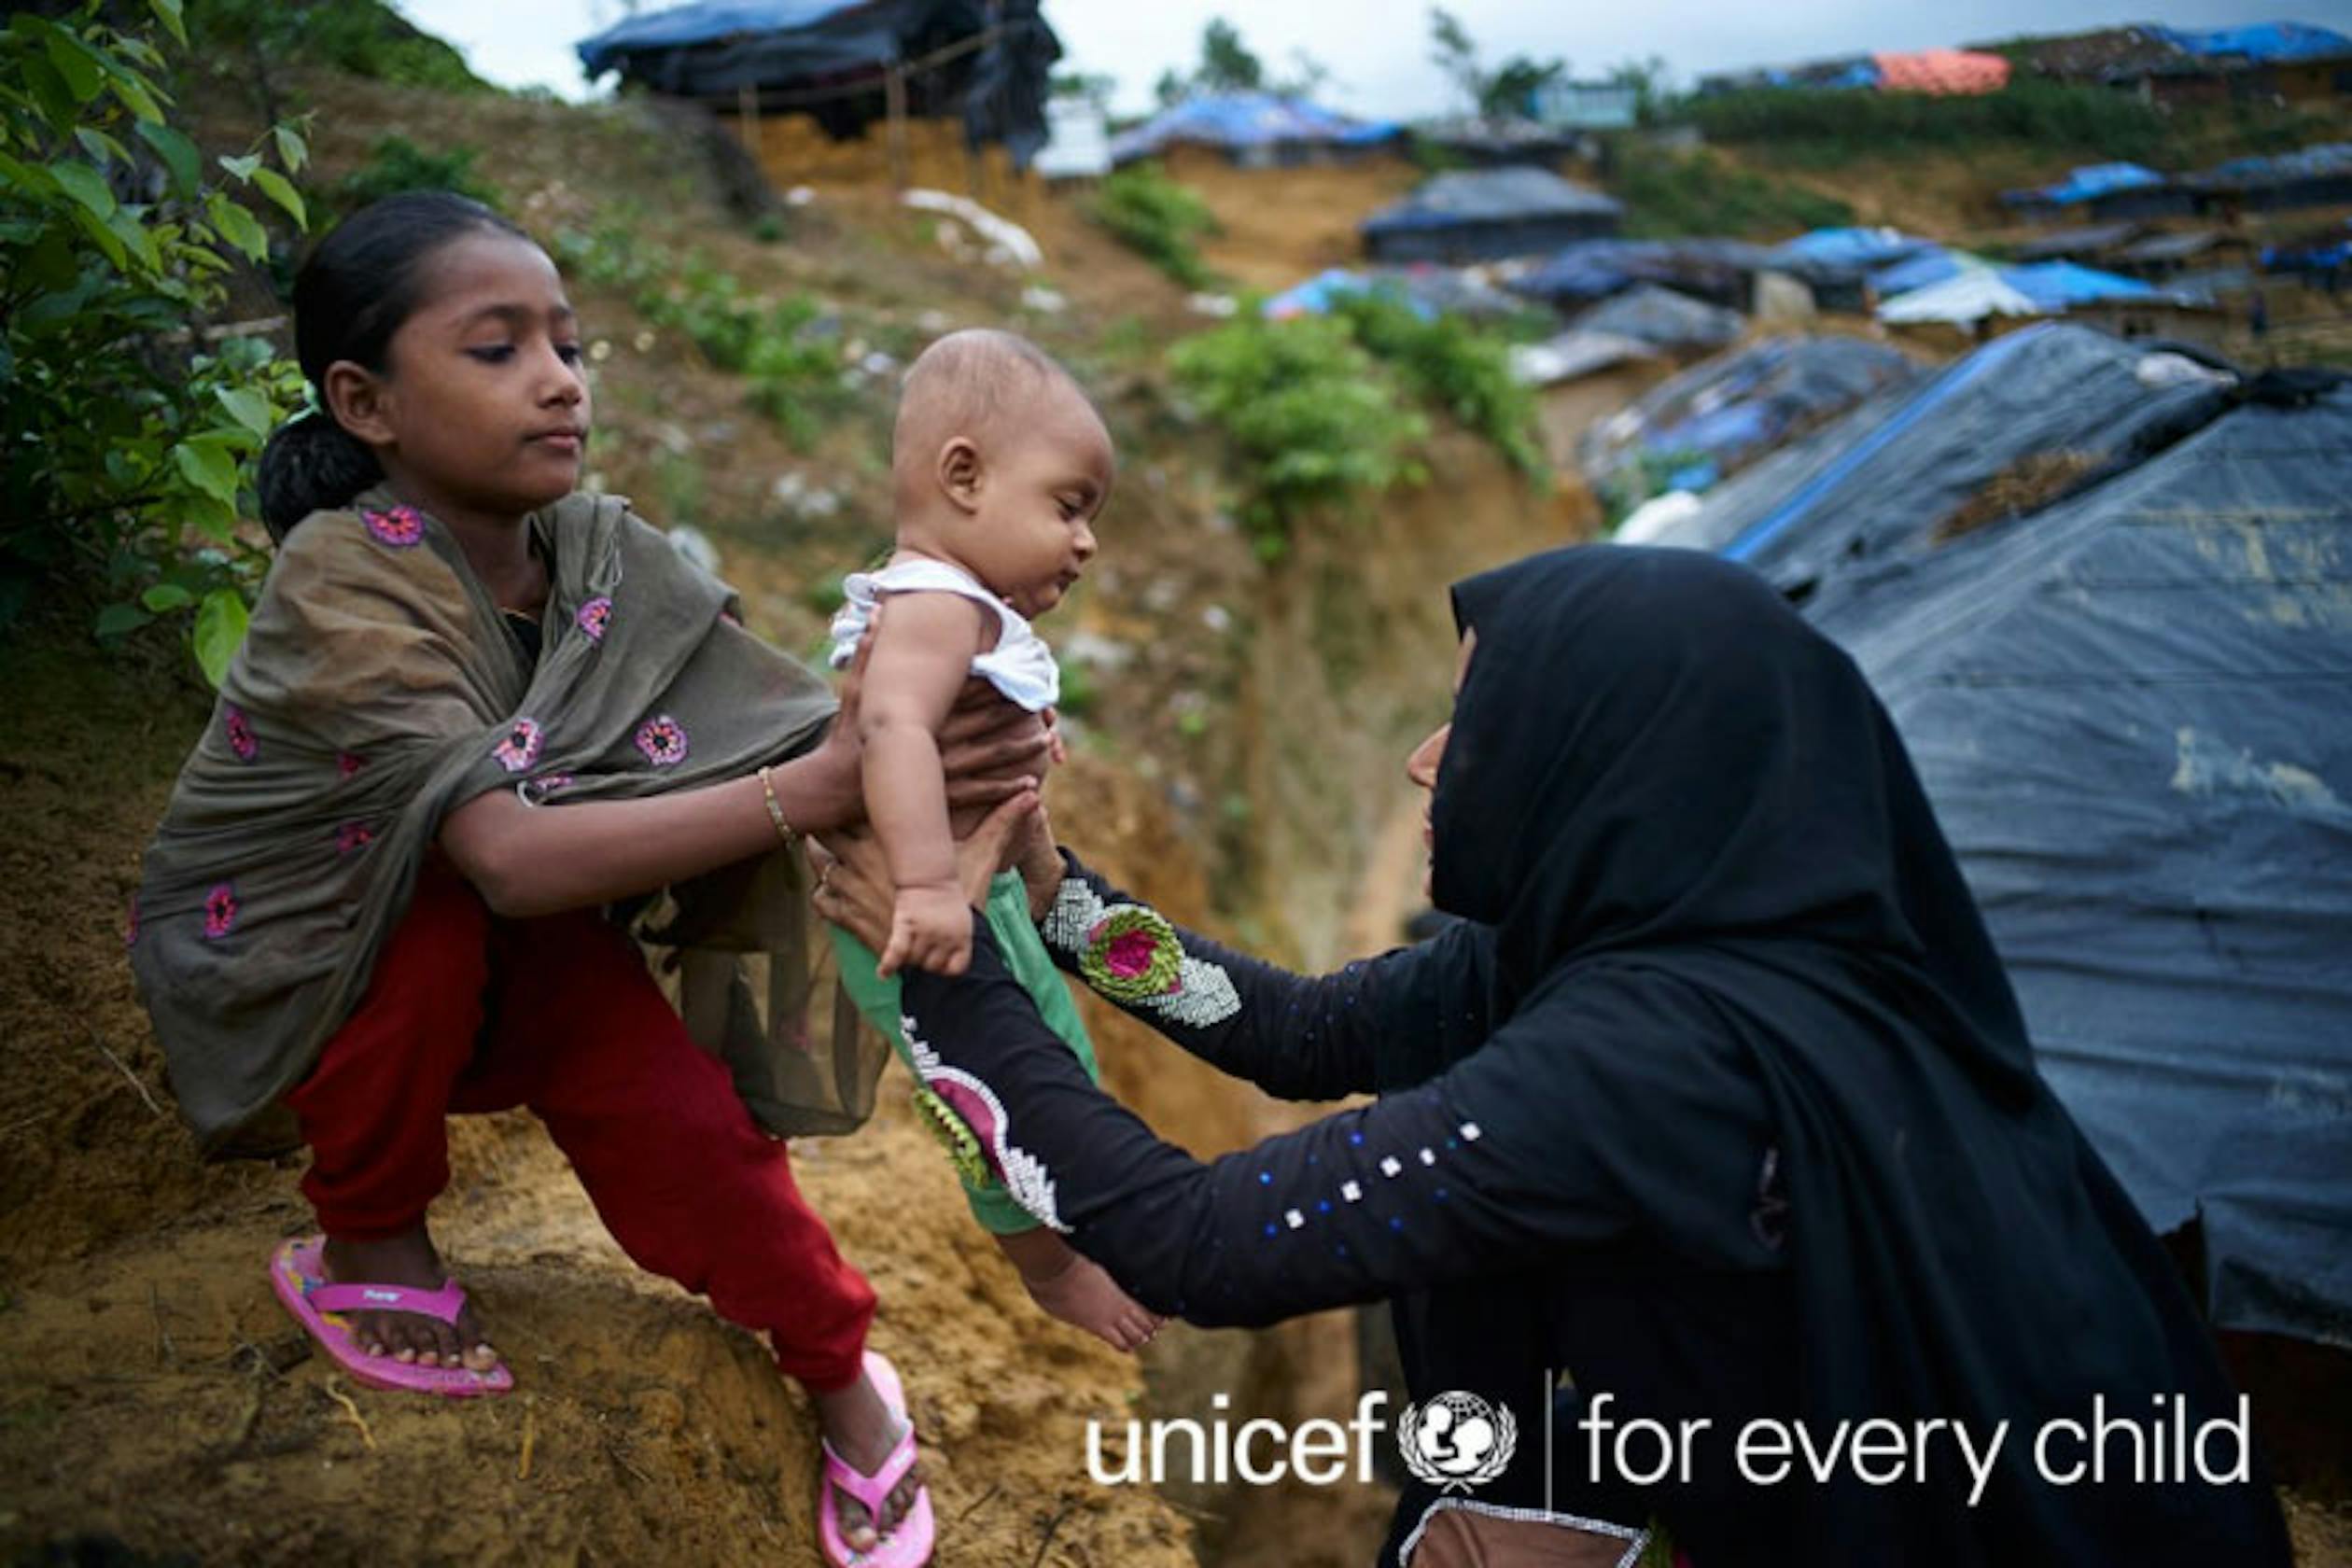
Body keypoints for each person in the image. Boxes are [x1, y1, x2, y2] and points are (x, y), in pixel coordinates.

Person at [812, 548, 2293, 1567]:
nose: (1427, 758)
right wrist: (1061, 897)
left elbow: (1190, 1243)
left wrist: (948, 989)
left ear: (1605, 751)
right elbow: (1282, 1031)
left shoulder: (1651, 1063)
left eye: (1479, 715)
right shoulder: (1637, 952)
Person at [127, 192, 1049, 1568]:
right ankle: (370, 1242)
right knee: (431, 894)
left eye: (568, 343)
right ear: (364, 402)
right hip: (321, 957)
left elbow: (784, 724)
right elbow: (502, 858)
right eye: (495, 350)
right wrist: (818, 787)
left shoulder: (605, 556)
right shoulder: (344, 584)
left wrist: (943, 724)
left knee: (689, 1130)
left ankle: (845, 1372)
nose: (559, 379)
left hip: (542, 944)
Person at [819, 330, 1161, 1354]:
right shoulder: (935, 604)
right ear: (962, 475)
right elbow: (892, 730)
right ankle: (1051, 1266)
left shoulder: (963, 610)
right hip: (915, 897)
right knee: (994, 1093)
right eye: (1069, 507)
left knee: (1051, 1061)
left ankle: (1078, 1222)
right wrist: (929, 886)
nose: (1088, 541)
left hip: (981, 892)